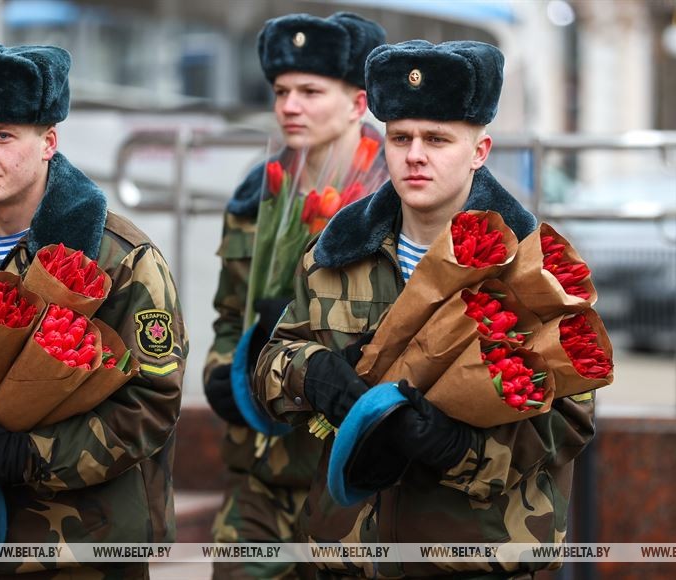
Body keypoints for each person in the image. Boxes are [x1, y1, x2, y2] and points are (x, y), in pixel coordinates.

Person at [253, 40, 596, 578]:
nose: (415, 155)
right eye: (400, 137)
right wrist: (311, 374)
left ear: (479, 150)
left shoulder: (534, 268)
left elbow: (569, 419)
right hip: (350, 553)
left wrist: (461, 448)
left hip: (474, 555)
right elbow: (272, 363)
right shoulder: (337, 250)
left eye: (437, 139)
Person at [0, 41, 186, 578]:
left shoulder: (117, 259)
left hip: (79, 549)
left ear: (48, 142)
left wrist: (28, 455)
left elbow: (151, 406)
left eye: (2, 135)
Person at [203, 12, 386, 580]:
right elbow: (230, 315)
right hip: (259, 468)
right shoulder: (256, 196)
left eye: (310, 91)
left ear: (358, 103)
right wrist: (223, 373)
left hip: (347, 475)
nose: (289, 105)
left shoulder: (394, 200)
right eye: (282, 91)